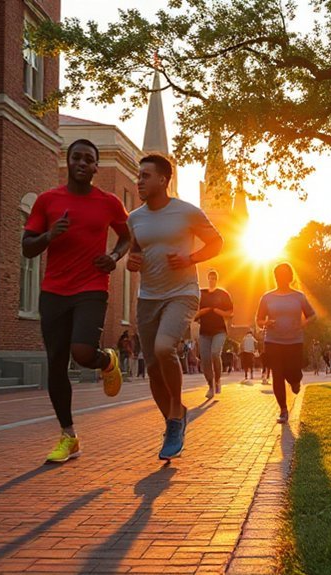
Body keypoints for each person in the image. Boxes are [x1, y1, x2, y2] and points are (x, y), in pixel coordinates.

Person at [22, 138, 132, 463]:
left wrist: (114, 256)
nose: (82, 163)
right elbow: (28, 246)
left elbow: (126, 237)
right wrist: (49, 235)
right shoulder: (47, 201)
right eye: (77, 158)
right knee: (56, 364)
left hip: (92, 286)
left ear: (97, 166)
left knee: (82, 353)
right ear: (67, 162)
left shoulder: (109, 203)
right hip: (54, 291)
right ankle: (68, 436)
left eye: (89, 159)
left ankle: (105, 360)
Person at [127, 153, 223, 461]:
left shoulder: (187, 212)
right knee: (154, 368)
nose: (139, 181)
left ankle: (173, 421)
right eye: (138, 176)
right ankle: (176, 415)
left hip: (182, 293)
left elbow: (217, 243)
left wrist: (190, 259)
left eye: (144, 176)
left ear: (163, 180)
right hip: (148, 297)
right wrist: (132, 261)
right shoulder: (135, 218)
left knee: (164, 347)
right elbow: (135, 252)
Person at [257, 263, 316, 423]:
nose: (281, 278)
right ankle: (283, 409)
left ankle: (295, 381)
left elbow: (312, 315)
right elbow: (259, 320)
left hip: (294, 340)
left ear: (290, 277)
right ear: (274, 277)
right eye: (278, 275)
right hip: (273, 341)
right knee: (277, 375)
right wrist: (266, 323)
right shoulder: (267, 297)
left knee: (293, 372)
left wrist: (303, 323)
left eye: (284, 274)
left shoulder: (299, 296)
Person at [195, 270, 234, 398]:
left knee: (215, 353)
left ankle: (217, 379)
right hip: (204, 332)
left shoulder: (223, 294)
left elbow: (230, 313)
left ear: (216, 280)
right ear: (207, 279)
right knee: (205, 360)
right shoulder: (201, 294)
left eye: (214, 278)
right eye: (210, 278)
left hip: (219, 331)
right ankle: (211, 386)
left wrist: (219, 312)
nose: (211, 280)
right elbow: (194, 315)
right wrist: (203, 312)